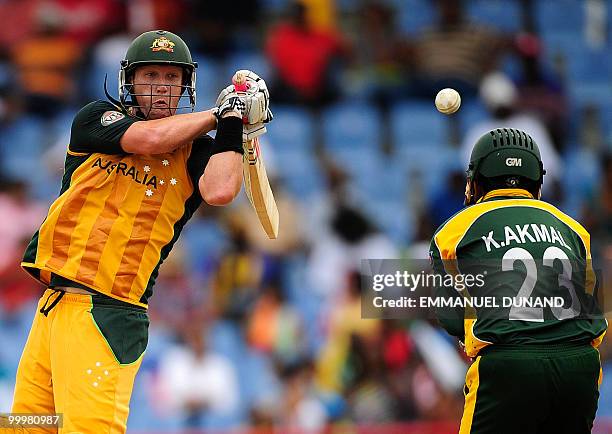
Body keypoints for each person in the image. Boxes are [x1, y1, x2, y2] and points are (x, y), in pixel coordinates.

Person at [10, 29, 272, 433]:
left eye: (172, 78)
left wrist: (234, 126)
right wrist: (219, 113)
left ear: (186, 85)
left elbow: (220, 190)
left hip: (108, 316)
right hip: (51, 308)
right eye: (150, 76)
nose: (161, 88)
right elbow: (147, 140)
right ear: (129, 81)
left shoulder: (197, 152)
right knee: (26, 427)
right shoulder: (97, 119)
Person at [430, 128, 607, 434]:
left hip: (508, 367)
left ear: (477, 180)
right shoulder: (574, 229)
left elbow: (449, 315)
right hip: (581, 367)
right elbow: (587, 301)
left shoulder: (454, 230)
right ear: (537, 180)